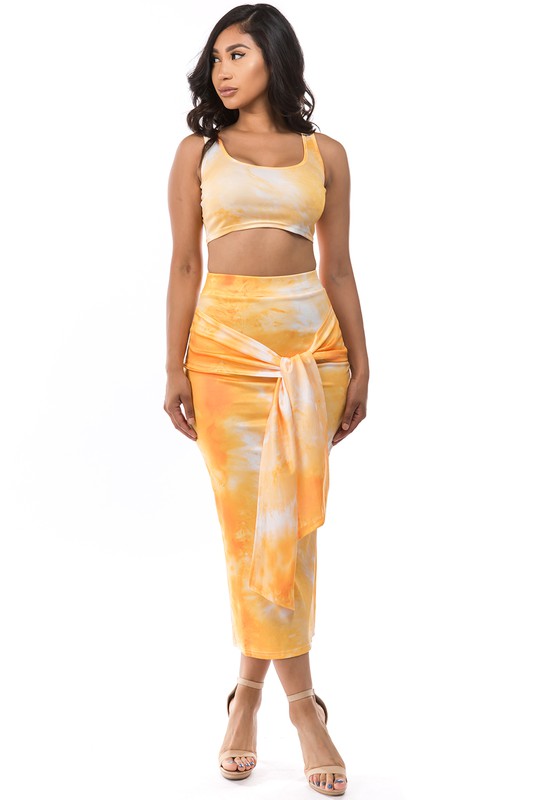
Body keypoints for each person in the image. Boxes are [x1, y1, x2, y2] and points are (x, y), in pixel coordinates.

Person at [164, 4, 369, 796]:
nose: (222, 69)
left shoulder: (326, 154)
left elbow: (337, 267)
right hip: (222, 351)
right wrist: (174, 366)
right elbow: (185, 265)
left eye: (238, 53)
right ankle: (302, 707)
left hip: (310, 350)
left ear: (274, 58)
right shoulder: (198, 152)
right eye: (216, 56)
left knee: (288, 530)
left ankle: (247, 696)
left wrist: (361, 364)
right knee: (248, 532)